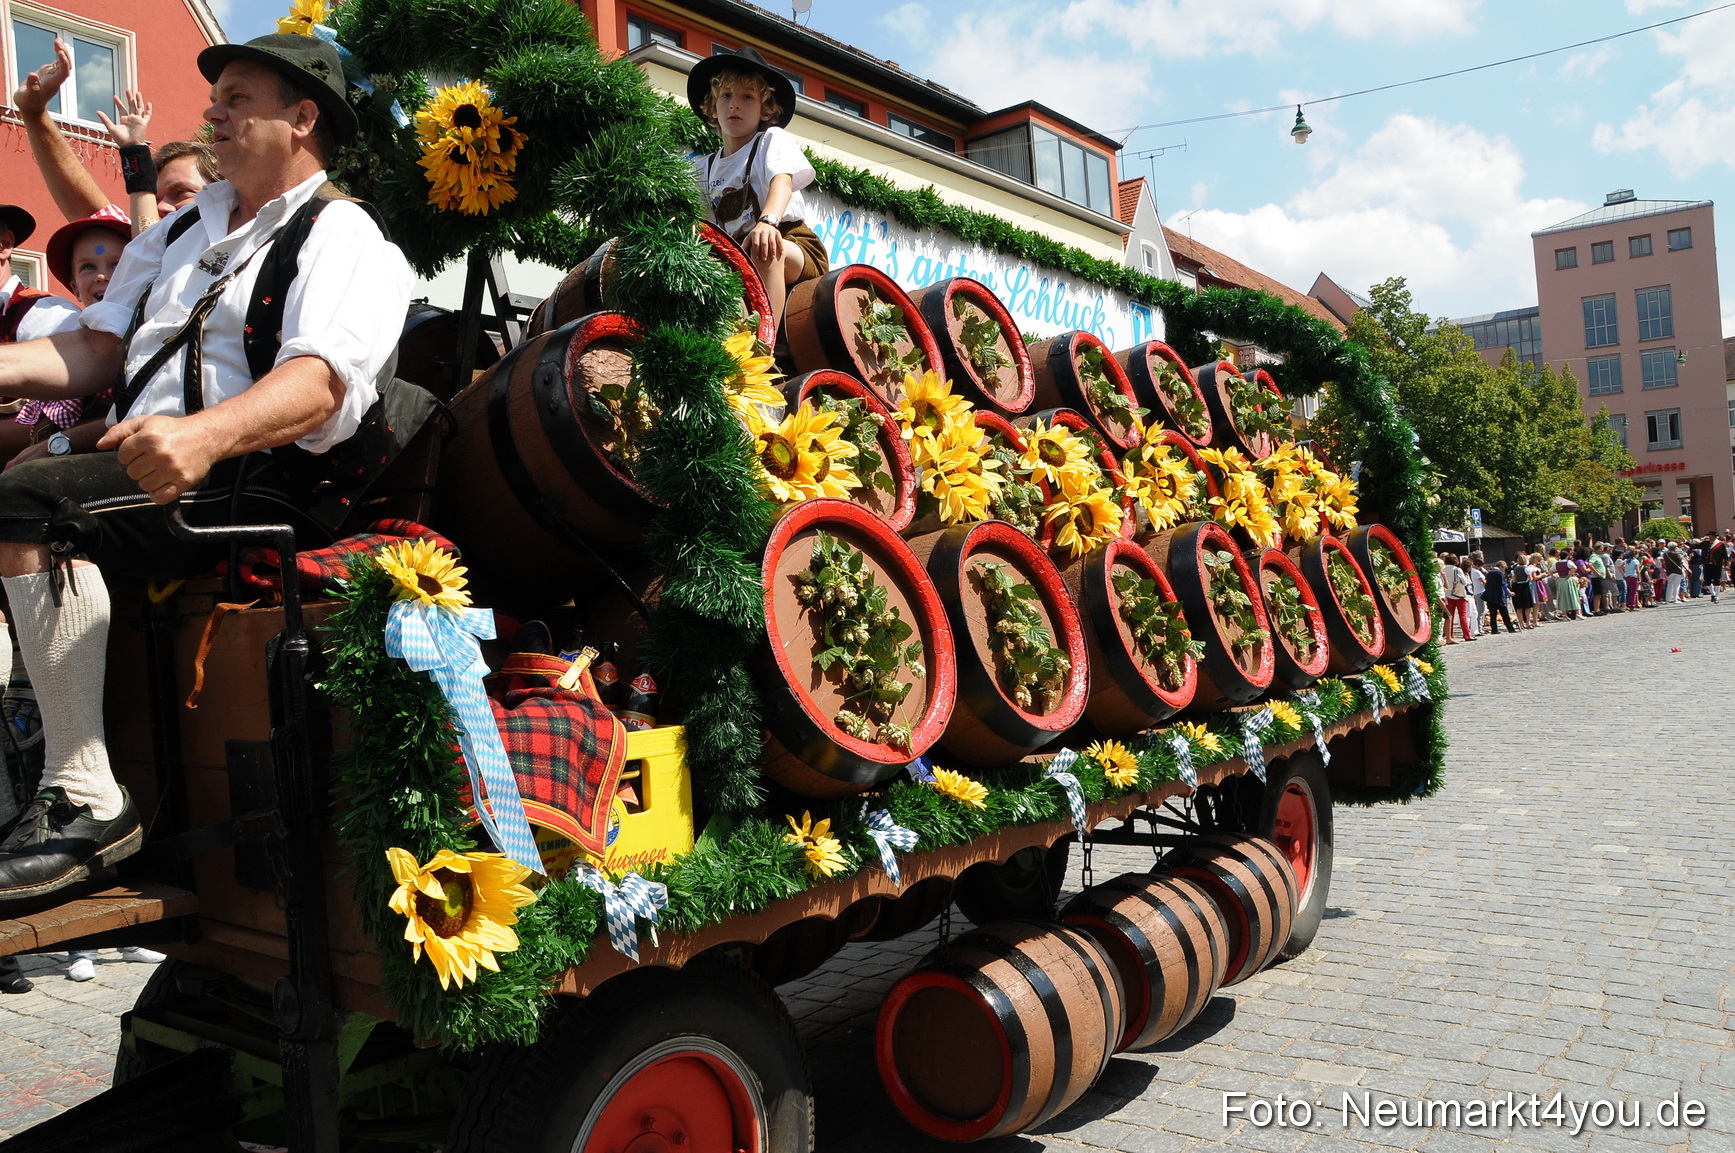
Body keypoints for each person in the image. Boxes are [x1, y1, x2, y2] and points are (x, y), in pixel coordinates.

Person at [0, 32, 413, 904]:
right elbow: (98, 352)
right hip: (147, 464)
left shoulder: (346, 233)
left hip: (259, 481)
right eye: (215, 98)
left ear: (302, 118)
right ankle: (30, 767)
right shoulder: (183, 227)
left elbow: (320, 383)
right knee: (30, 485)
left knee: (31, 501)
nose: (213, 114)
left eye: (236, 98)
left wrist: (202, 436)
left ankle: (86, 795)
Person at [687, 47, 829, 339]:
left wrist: (768, 222)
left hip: (790, 244)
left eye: (747, 97)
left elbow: (782, 183)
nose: (734, 105)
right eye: (726, 96)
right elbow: (706, 226)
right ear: (712, 107)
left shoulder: (770, 140)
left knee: (764, 247)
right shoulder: (703, 168)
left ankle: (767, 343)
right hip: (737, 256)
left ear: (766, 110)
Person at [13, 37, 218, 232]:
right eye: (152, 198)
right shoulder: (142, 249)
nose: (161, 207)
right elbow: (92, 213)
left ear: (225, 191)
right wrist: (34, 112)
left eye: (180, 192)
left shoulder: (245, 242)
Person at [1482, 558, 1515, 634]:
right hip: (1499, 595)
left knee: (1493, 614)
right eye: (1504, 568)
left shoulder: (1489, 573)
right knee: (1504, 613)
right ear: (1501, 567)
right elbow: (1503, 585)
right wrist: (1509, 592)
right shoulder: (1500, 573)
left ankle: (1494, 630)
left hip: (1490, 595)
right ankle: (1510, 628)